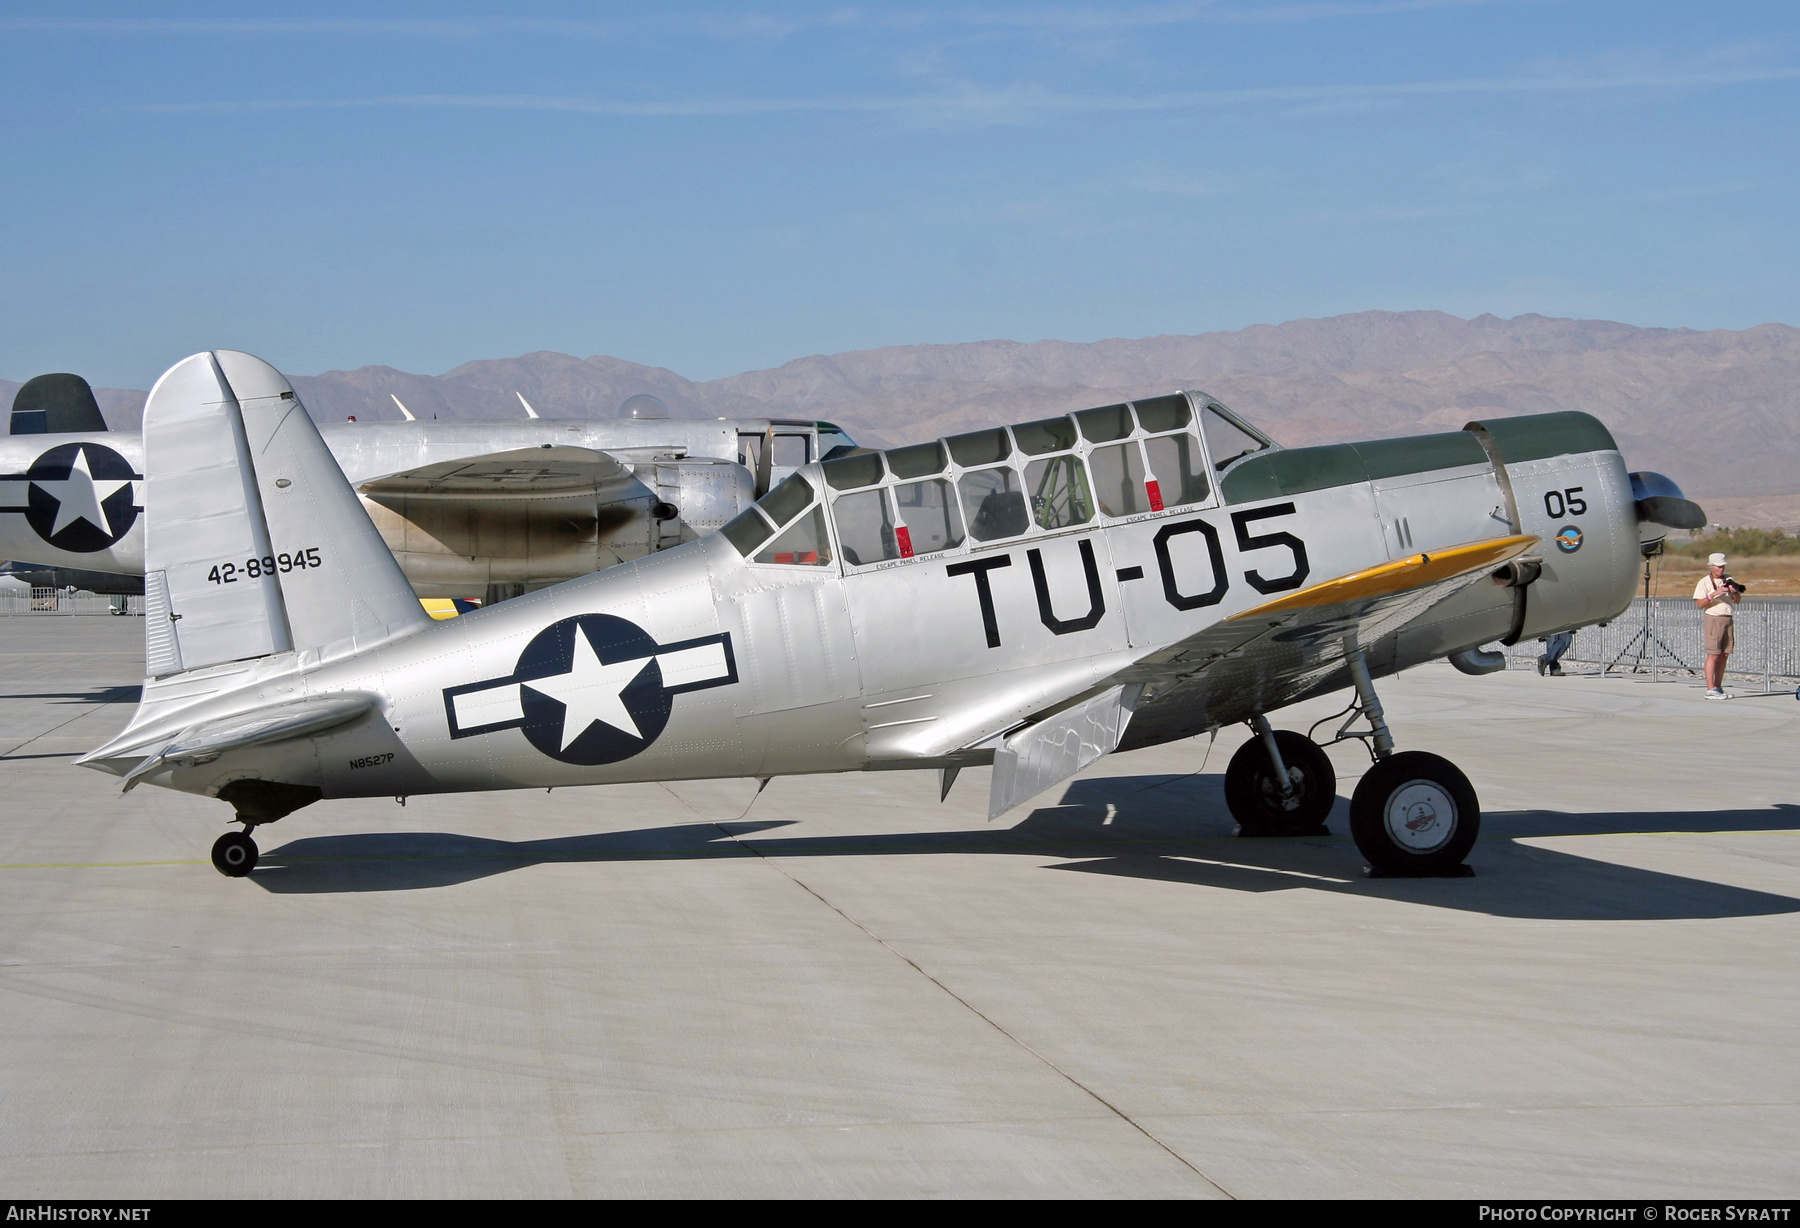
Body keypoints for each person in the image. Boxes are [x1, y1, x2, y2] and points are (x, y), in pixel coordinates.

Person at [1693, 551, 1741, 699]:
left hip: (1727, 617)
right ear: (1711, 567)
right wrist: (1715, 593)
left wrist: (1734, 592)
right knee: (1713, 654)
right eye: (1719, 567)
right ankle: (1709, 689)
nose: (1722, 569)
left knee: (1724, 654)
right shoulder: (1704, 582)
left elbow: (1737, 600)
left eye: (1723, 566)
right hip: (1713, 619)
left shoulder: (1729, 579)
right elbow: (1700, 604)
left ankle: (1718, 687)